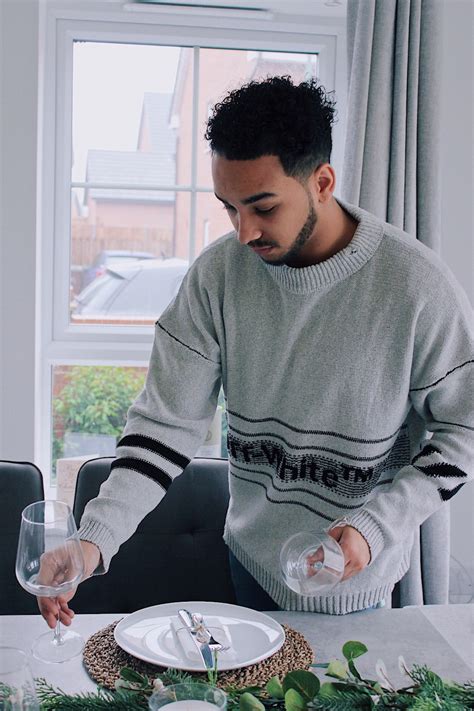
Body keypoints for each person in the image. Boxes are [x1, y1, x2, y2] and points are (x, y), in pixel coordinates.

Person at [39, 76, 473, 628]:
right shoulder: (217, 276)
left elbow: (463, 432)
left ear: (322, 182)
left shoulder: (415, 286)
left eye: (263, 207)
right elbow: (163, 428)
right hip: (248, 563)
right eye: (229, 208)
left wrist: (375, 526)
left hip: (356, 587)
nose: (244, 233)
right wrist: (92, 541)